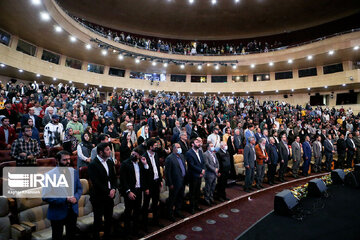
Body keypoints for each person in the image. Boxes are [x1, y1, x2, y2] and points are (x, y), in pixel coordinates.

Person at [43, 150, 83, 240]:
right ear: (57, 160)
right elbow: (46, 196)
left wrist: (76, 198)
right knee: (57, 236)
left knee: (71, 235)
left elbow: (79, 189)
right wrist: (65, 199)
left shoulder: (74, 172)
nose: (68, 162)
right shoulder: (49, 175)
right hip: (57, 212)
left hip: (72, 210)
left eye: (69, 159)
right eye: (65, 160)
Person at [88, 142, 117, 240]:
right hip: (98, 196)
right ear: (101, 152)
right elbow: (96, 182)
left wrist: (113, 189)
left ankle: (107, 236)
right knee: (98, 220)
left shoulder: (109, 161)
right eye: (107, 150)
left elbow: (113, 177)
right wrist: (108, 191)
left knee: (109, 218)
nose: (110, 152)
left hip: (110, 195)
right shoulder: (93, 164)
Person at [120, 148, 150, 238]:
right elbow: (123, 180)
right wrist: (128, 191)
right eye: (132, 154)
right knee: (128, 212)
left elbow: (145, 176)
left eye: (136, 155)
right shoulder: (125, 163)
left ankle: (135, 231)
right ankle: (127, 233)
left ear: (139, 156)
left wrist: (145, 164)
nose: (133, 156)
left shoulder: (140, 163)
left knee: (137, 211)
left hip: (139, 190)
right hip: (130, 191)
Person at [142, 138, 162, 229]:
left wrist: (160, 180)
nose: (157, 147)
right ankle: (145, 224)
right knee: (146, 205)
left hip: (156, 182)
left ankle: (156, 221)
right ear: (150, 147)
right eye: (155, 146)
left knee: (155, 203)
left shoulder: (156, 155)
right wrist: (146, 187)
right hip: (148, 185)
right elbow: (143, 175)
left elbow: (157, 168)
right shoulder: (144, 157)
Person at [165, 143, 186, 221]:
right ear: (173, 149)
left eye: (180, 147)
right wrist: (170, 183)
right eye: (178, 147)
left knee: (180, 197)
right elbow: (167, 173)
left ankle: (177, 211)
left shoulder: (182, 156)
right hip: (174, 182)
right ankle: (170, 214)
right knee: (172, 199)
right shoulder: (169, 158)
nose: (180, 148)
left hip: (182, 180)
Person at [185, 138, 205, 214]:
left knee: (197, 191)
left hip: (199, 174)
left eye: (199, 142)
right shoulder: (189, 153)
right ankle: (191, 207)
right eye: (197, 142)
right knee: (192, 192)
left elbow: (202, 162)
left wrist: (202, 170)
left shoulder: (200, 151)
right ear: (192, 144)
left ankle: (196, 205)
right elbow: (191, 165)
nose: (199, 143)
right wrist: (200, 171)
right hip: (193, 175)